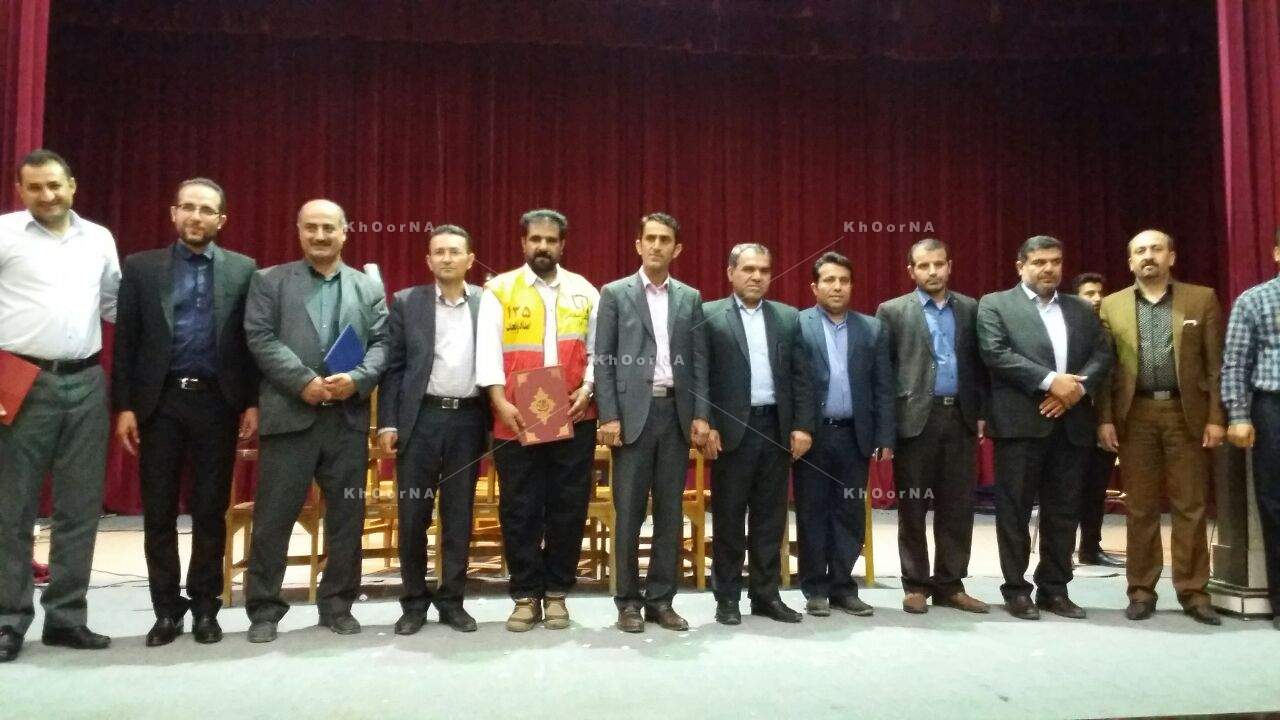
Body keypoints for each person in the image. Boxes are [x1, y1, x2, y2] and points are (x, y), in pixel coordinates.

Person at [111, 177, 259, 646]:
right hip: (160, 404)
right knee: (158, 513)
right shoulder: (141, 268)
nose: (197, 216)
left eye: (207, 209)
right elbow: (127, 342)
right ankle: (166, 611)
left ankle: (205, 608)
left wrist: (251, 401)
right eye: (189, 207)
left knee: (211, 512)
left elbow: (250, 343)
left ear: (222, 220)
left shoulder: (243, 270)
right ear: (174, 213)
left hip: (218, 403)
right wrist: (124, 406)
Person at [242, 199, 389, 643]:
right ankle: (264, 609)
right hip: (290, 416)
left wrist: (358, 379)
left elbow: (383, 343)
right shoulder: (269, 281)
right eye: (311, 228)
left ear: (345, 232)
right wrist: (302, 381)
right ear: (299, 231)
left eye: (329, 228)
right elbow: (259, 337)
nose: (320, 236)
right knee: (273, 520)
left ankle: (338, 605)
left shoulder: (368, 287)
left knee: (347, 519)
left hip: (345, 420)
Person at [0, 149, 120, 662]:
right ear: (20, 190)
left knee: (80, 509)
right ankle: (8, 620)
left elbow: (114, 305)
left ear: (72, 185)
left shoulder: (99, 239)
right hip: (19, 379)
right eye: (35, 187)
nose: (47, 195)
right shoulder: (4, 234)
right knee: (12, 509)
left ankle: (67, 618)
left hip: (87, 380)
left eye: (55, 185)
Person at [977, 235, 1112, 620]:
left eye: (1055, 261)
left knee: (1064, 511)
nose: (1048, 268)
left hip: (1071, 425)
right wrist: (1052, 382)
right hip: (1019, 425)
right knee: (1014, 512)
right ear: (1021, 266)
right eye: (1039, 262)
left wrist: (1075, 391)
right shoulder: (996, 304)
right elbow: (995, 353)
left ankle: (1055, 588)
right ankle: (1016, 590)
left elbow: (1103, 353)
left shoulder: (1080, 308)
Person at [477, 209, 599, 632]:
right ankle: (525, 595)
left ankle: (558, 593)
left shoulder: (585, 291)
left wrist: (589, 388)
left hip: (574, 414)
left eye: (550, 240)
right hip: (514, 417)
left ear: (562, 245)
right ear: (523, 243)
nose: (542, 246)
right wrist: (498, 401)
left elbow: (599, 350)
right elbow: (487, 353)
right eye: (535, 239)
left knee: (568, 507)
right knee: (520, 508)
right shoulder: (498, 290)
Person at [1095, 230, 1223, 625]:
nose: (1148, 256)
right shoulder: (1112, 305)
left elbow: (1215, 365)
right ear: (1130, 262)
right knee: (1140, 508)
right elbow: (1105, 370)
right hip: (1135, 415)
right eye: (1140, 251)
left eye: (1156, 249)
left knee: (1191, 506)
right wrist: (1105, 418)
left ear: (1171, 256)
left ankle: (1194, 591)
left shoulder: (1201, 299)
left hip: (1187, 414)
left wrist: (1216, 417)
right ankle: (1140, 590)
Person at [595, 212, 710, 633]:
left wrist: (701, 414)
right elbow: (603, 359)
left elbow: (698, 361)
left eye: (665, 240)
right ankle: (627, 602)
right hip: (631, 417)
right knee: (627, 513)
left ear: (677, 249)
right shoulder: (615, 293)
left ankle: (661, 600)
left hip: (675, 415)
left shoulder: (690, 297)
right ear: (638, 245)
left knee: (669, 512)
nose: (657, 245)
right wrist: (609, 415)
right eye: (651, 238)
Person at [377, 224, 486, 635]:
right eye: (439, 251)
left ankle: (452, 601)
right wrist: (389, 422)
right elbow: (394, 368)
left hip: (469, 420)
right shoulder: (407, 302)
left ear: (469, 259)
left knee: (458, 516)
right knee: (413, 515)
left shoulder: (488, 303)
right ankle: (413, 603)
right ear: (428, 260)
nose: (446, 258)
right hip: (420, 420)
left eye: (454, 251)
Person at [702, 243, 814, 625]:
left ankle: (766, 595)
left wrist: (802, 425)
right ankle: (727, 598)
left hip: (775, 429)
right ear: (730, 272)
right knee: (729, 519)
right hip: (731, 432)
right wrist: (706, 422)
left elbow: (801, 377)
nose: (756, 276)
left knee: (771, 519)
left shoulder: (787, 317)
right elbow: (699, 376)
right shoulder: (710, 316)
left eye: (764, 270)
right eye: (748, 269)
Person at [876, 239, 990, 614]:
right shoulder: (892, 311)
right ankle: (915, 585)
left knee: (958, 506)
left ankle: (950, 585)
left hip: (960, 417)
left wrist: (981, 412)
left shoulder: (971, 308)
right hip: (914, 420)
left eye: (938, 264)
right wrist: (885, 431)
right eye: (923, 266)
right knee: (912, 507)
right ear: (911, 271)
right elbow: (883, 374)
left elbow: (980, 365)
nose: (932, 271)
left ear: (949, 266)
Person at [795, 252, 894, 617]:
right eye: (829, 280)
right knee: (812, 512)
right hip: (812, 437)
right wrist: (796, 428)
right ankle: (815, 589)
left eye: (844, 280)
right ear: (814, 286)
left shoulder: (872, 329)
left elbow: (883, 385)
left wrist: (885, 435)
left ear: (852, 286)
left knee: (850, 513)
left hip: (855, 436)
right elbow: (793, 383)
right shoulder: (797, 324)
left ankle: (842, 587)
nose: (837, 287)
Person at [1221, 229, 1280, 631]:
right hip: (1272, 407)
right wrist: (1239, 415)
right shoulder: (1254, 300)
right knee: (1275, 506)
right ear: (1276, 253)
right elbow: (1235, 363)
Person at [1069, 272, 1125, 568]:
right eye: (1089, 293)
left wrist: (1107, 418)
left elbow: (1110, 379)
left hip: (1103, 419)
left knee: (1096, 488)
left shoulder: (1110, 330)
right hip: (1069, 419)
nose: (1096, 298)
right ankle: (1062, 549)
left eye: (1100, 293)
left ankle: (1091, 547)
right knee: (1067, 488)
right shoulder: (1066, 328)